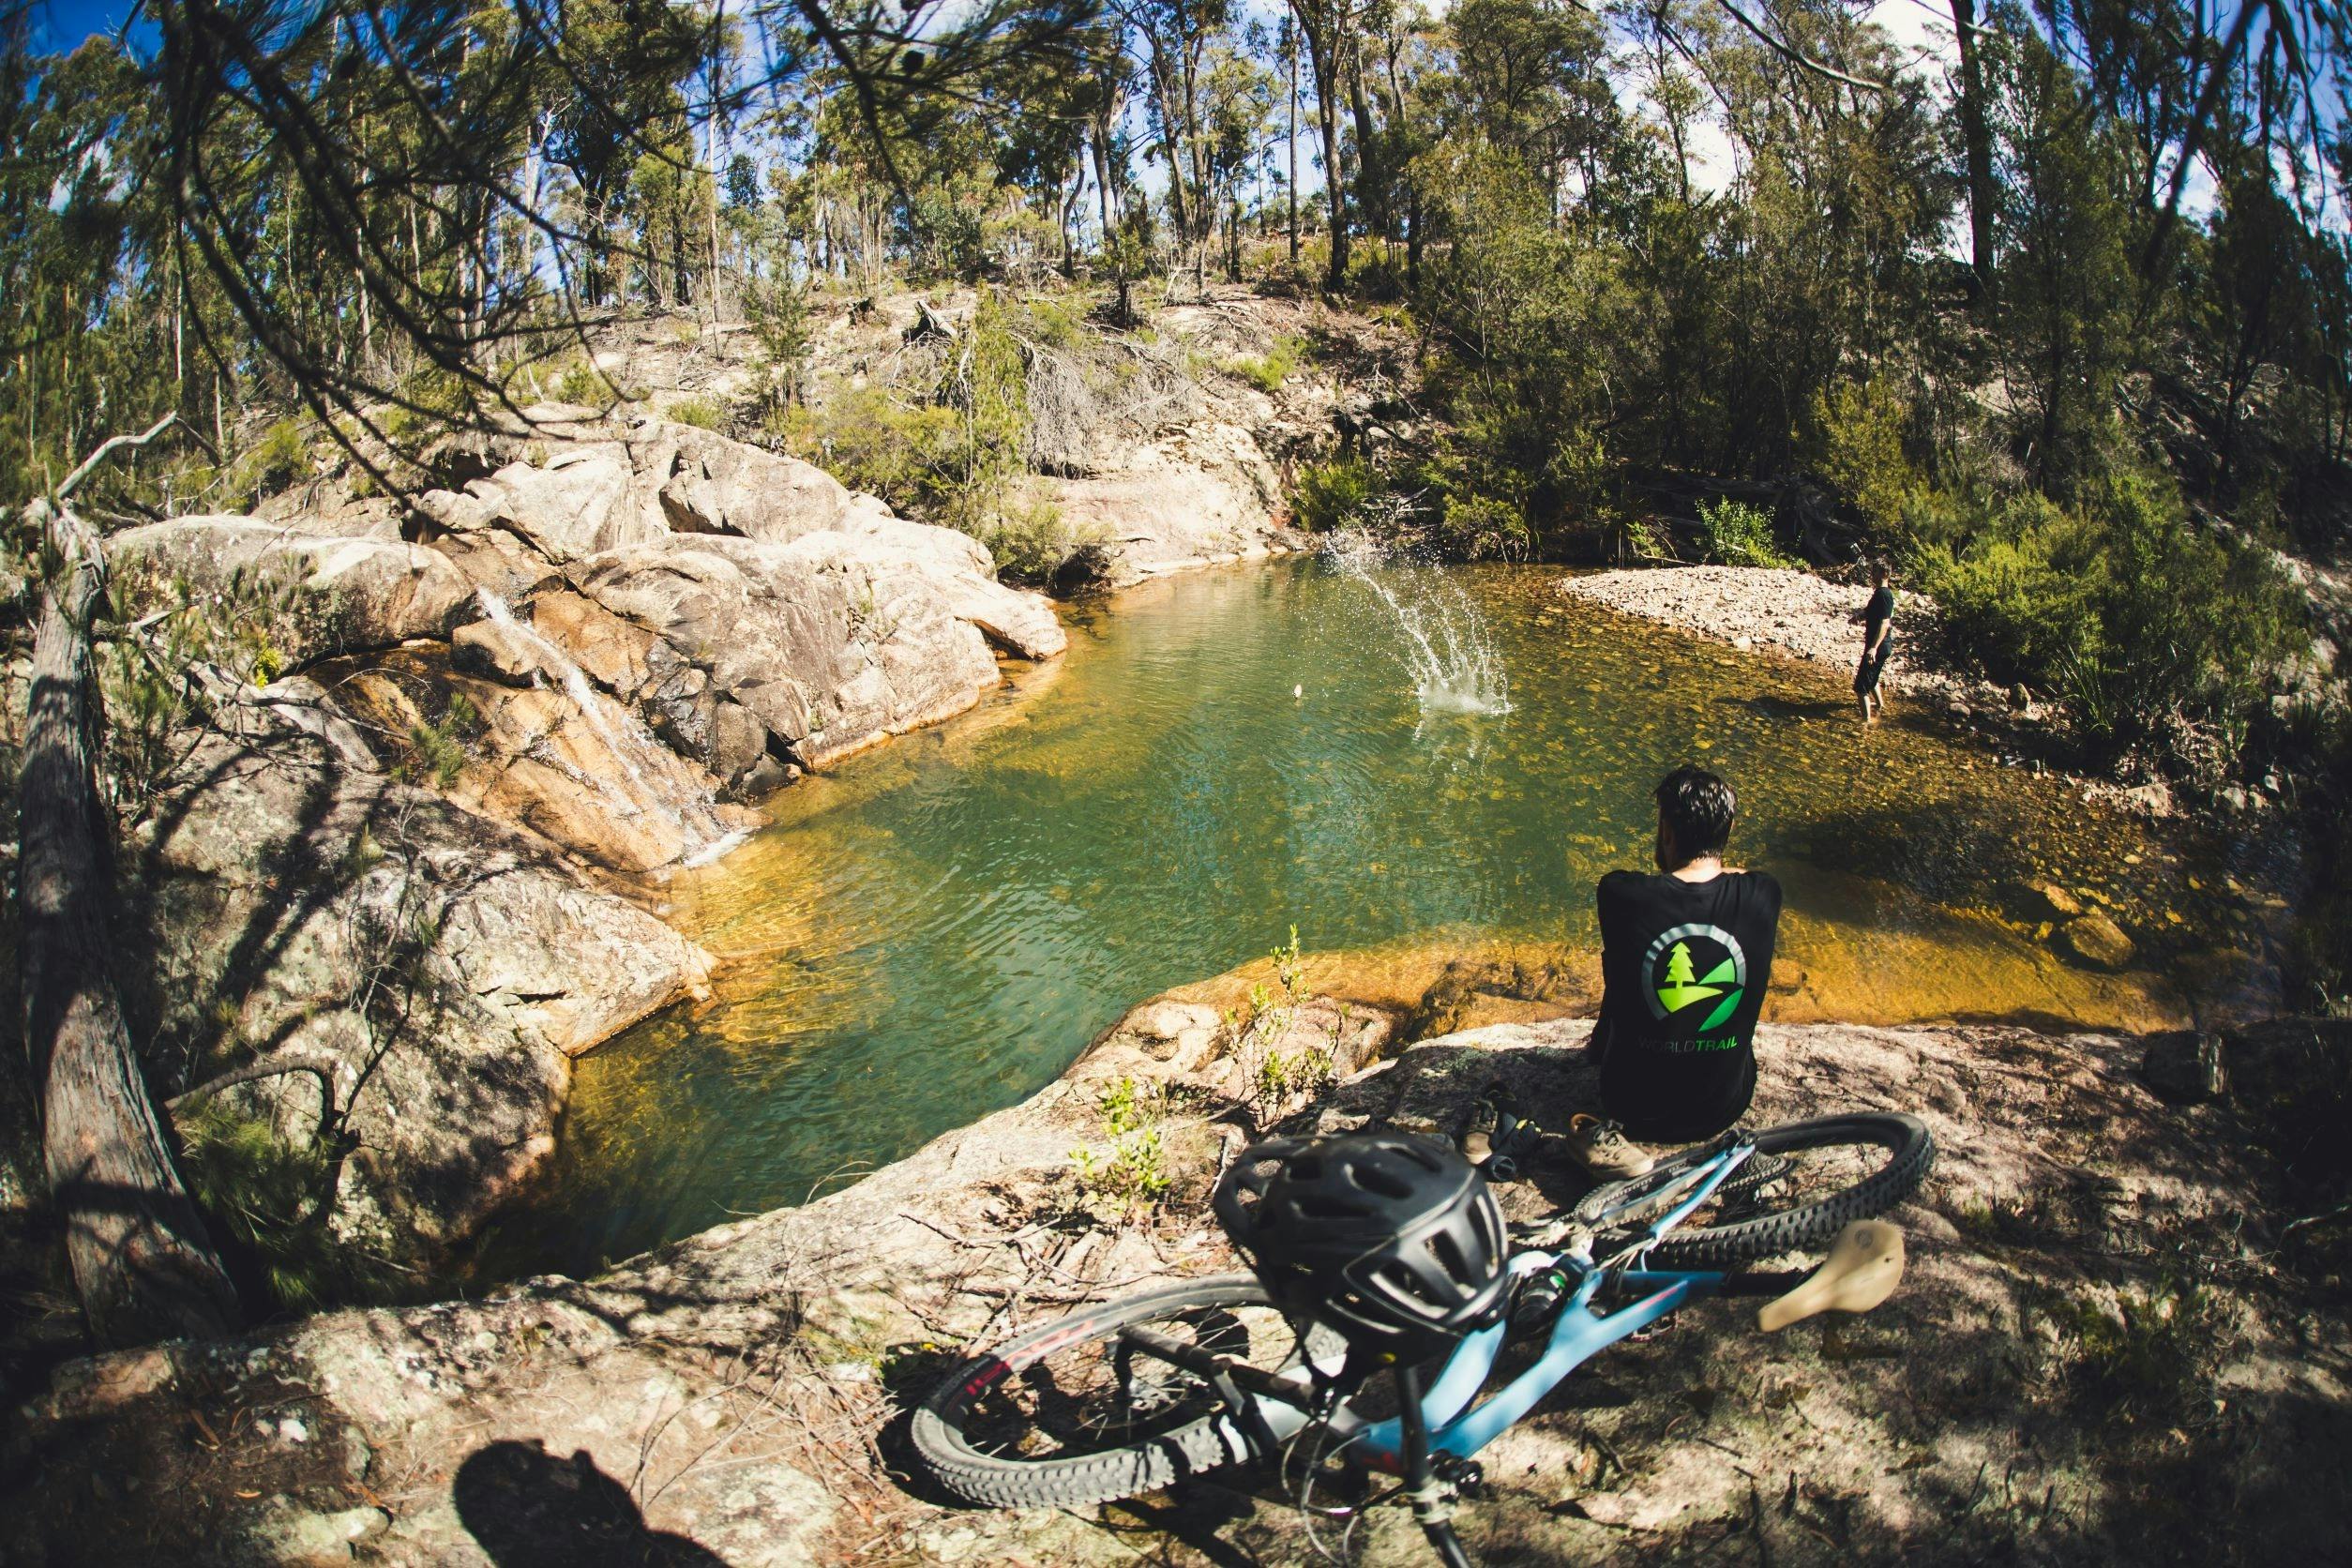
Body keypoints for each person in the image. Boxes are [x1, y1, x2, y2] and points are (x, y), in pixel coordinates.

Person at [1568, 766, 1784, 1178]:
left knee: (1619, 961)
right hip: (1721, 1108)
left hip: (1630, 1106)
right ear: (1730, 827)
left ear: (1666, 830)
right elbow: (1739, 876)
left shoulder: (1620, 893)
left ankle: (1600, 1049)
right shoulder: (1764, 893)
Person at [1854, 562, 1895, 723]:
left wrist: (1873, 648)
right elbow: (1872, 612)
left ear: (1885, 573)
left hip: (1878, 646)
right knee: (1872, 680)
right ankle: (1880, 707)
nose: (1872, 574)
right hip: (1881, 646)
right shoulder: (1880, 594)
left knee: (1861, 687)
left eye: (1875, 571)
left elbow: (1885, 623)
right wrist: (1859, 616)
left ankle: (1866, 723)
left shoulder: (1884, 595)